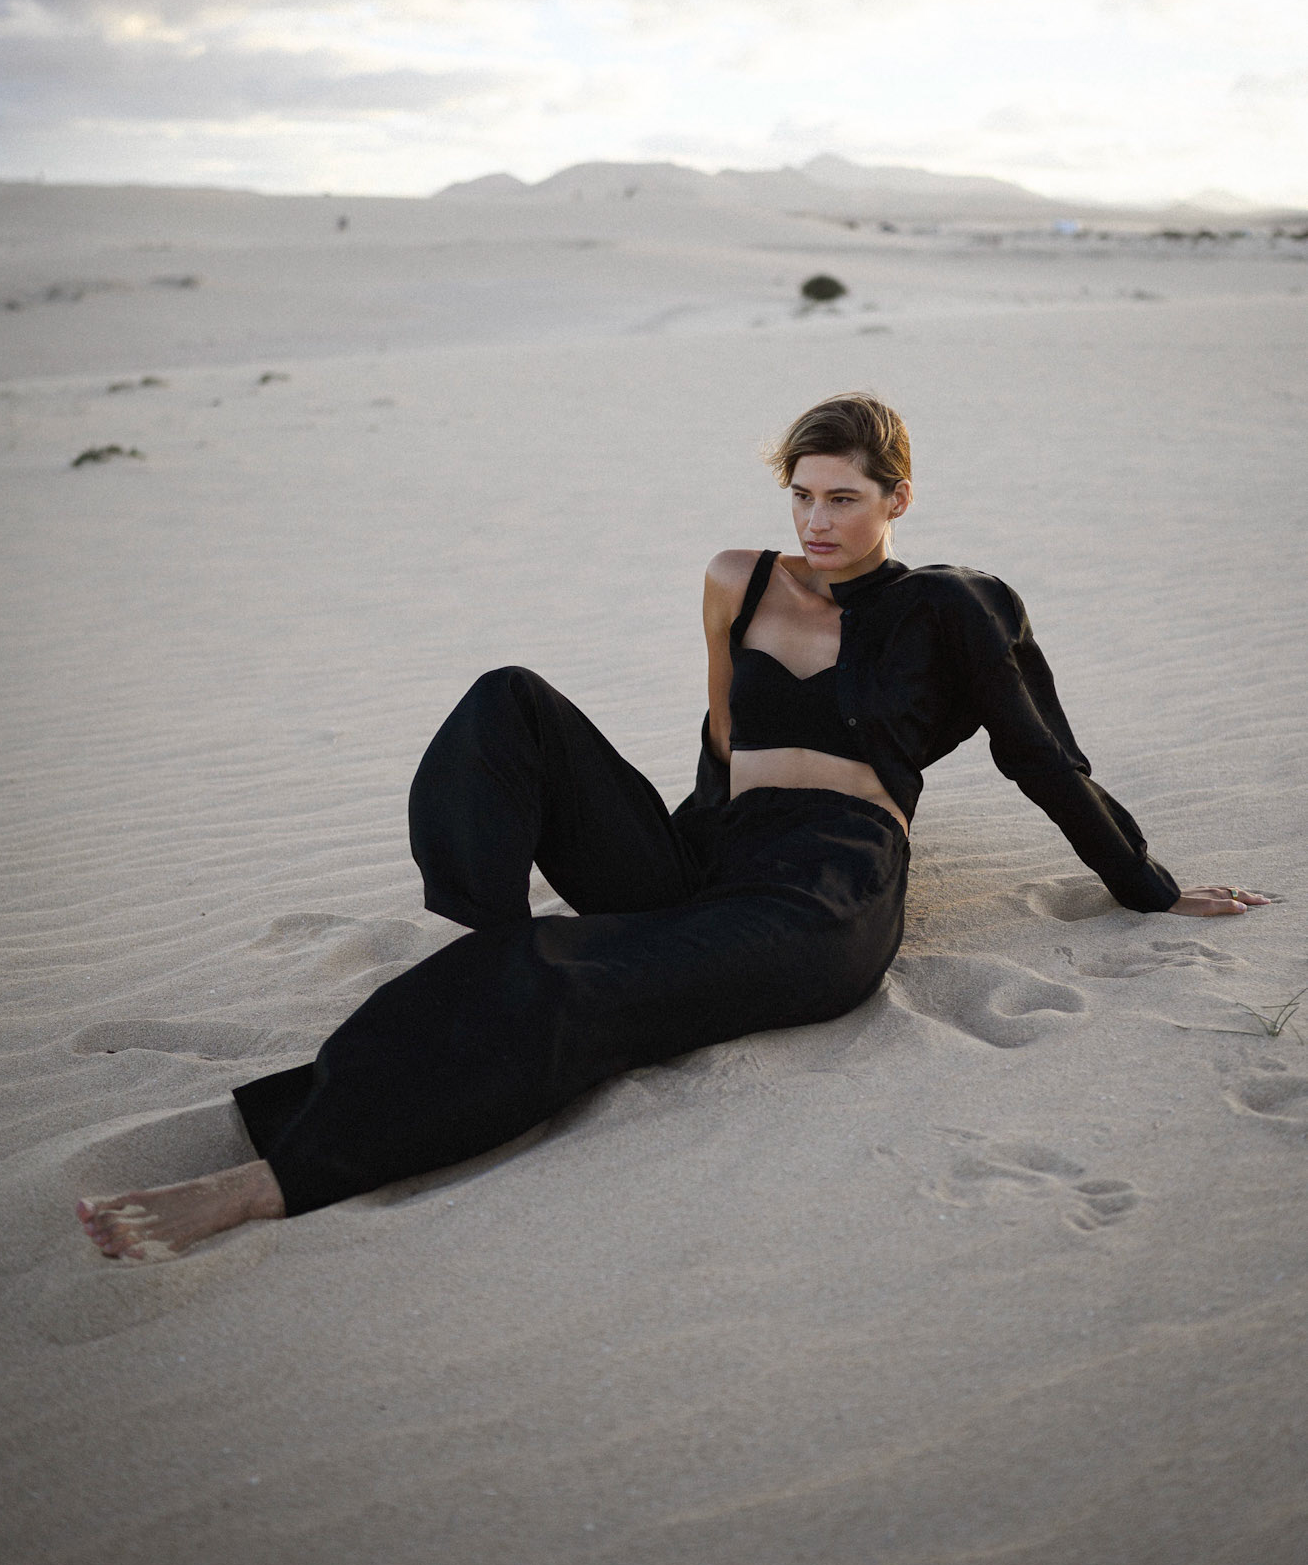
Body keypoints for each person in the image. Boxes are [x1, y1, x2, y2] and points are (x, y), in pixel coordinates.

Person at [78, 393, 1269, 1259]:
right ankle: (483, 931)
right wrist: (674, 850)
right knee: (507, 703)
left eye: (844, 498)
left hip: (825, 886)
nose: (816, 519)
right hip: (710, 846)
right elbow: (720, 735)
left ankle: (275, 1177)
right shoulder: (737, 579)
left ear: (899, 497)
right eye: (801, 493)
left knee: (567, 980)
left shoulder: (954, 603)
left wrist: (1146, 880)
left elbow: (1041, 754)